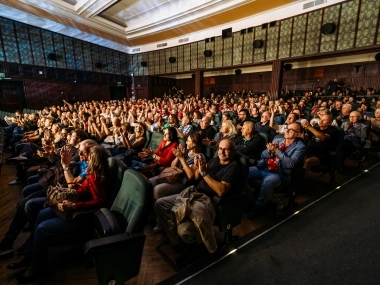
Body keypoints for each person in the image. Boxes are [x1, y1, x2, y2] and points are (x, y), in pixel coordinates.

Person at [7, 144, 110, 282]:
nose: (83, 158)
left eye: (87, 155)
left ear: (94, 158)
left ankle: (38, 265)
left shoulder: (96, 178)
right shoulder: (90, 171)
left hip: (80, 215)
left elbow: (99, 202)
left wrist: (73, 205)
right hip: (72, 206)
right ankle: (28, 255)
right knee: (41, 214)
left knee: (42, 228)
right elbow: (79, 186)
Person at [154, 139, 246, 253]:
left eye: (226, 149)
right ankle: (176, 241)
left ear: (233, 151)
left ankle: (191, 241)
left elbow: (221, 191)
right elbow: (197, 177)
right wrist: (199, 166)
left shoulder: (233, 167)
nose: (222, 152)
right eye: (220, 149)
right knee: (160, 204)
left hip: (207, 201)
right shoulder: (215, 159)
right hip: (194, 193)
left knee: (184, 230)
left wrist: (204, 173)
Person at [245, 123, 306, 219]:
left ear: (298, 134)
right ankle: (251, 201)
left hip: (278, 173)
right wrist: (269, 151)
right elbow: (263, 155)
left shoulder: (300, 147)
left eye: (291, 130)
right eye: (287, 128)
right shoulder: (278, 139)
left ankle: (258, 206)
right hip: (264, 167)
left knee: (269, 182)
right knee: (241, 173)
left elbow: (290, 164)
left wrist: (277, 150)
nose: (286, 131)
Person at [150, 133, 202, 233]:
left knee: (158, 190)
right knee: (150, 182)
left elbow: (191, 176)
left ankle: (161, 222)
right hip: (173, 176)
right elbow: (173, 165)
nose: (186, 142)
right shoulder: (186, 151)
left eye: (188, 141)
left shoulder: (199, 157)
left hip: (183, 183)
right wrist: (178, 156)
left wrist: (182, 159)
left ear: (195, 144)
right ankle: (153, 212)